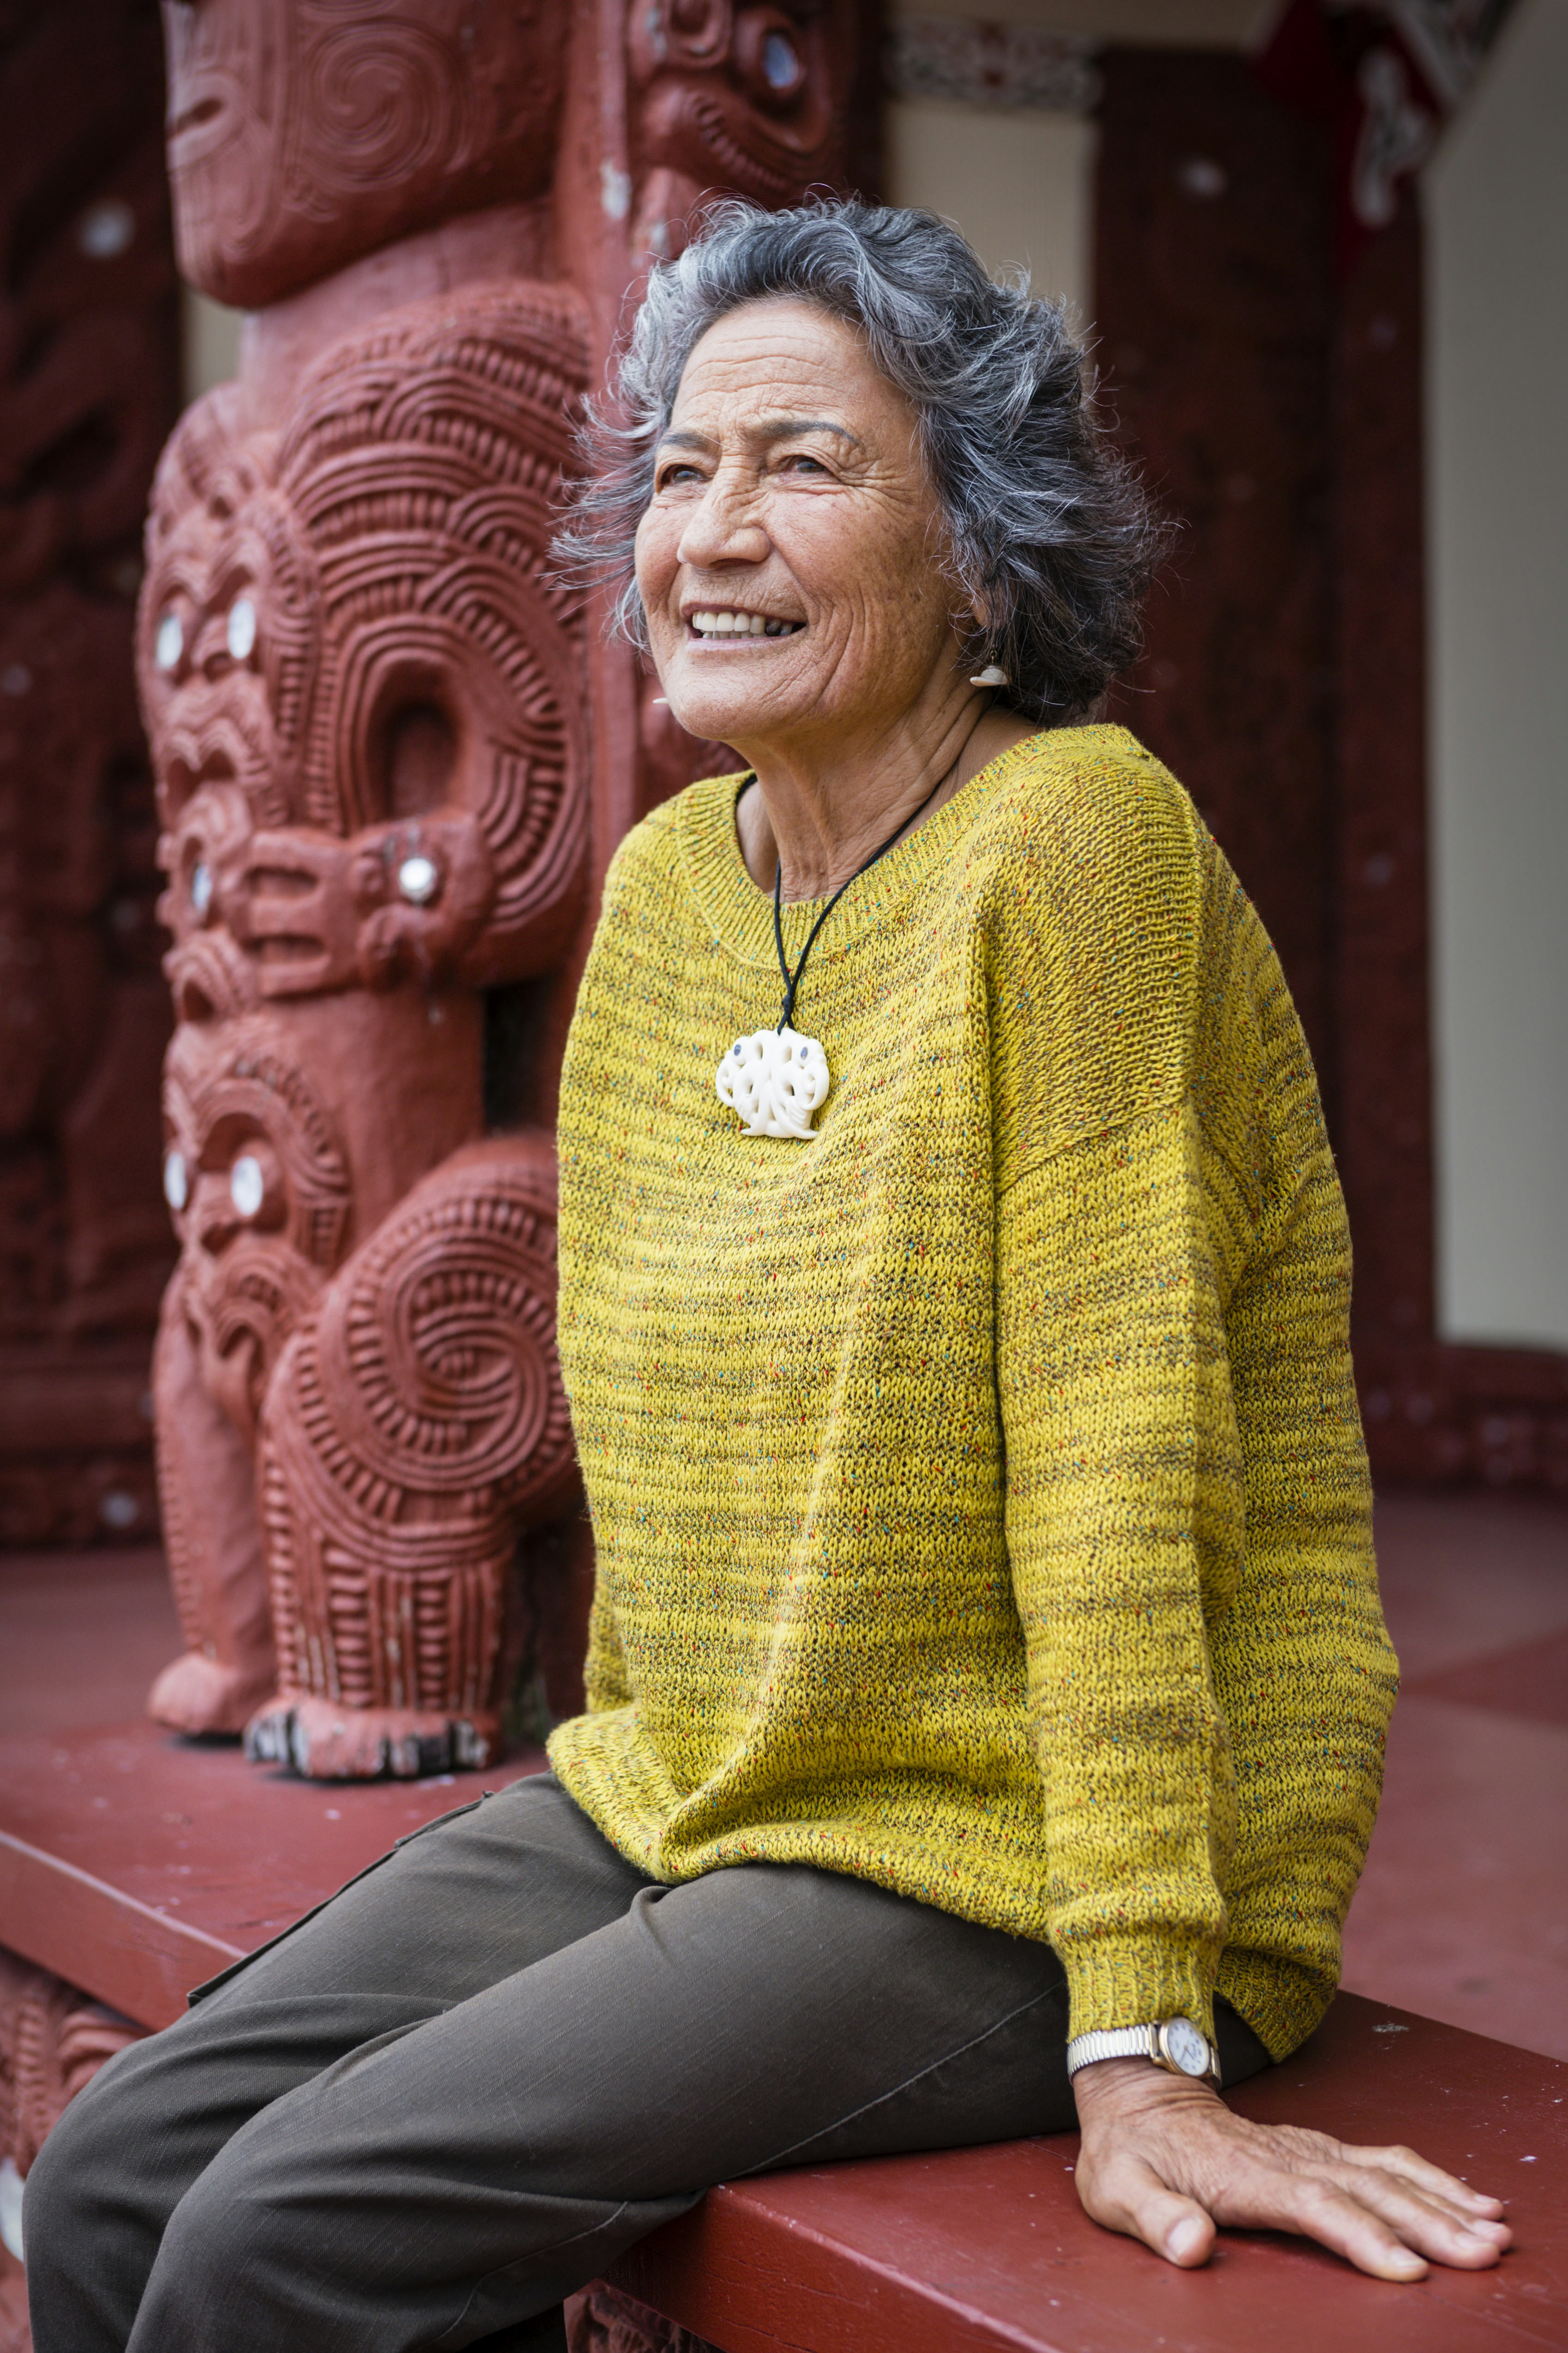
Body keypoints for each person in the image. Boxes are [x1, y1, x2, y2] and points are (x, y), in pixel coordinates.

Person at [24, 199, 1509, 2353]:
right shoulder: (660, 896)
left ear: (982, 552)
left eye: (804, 465)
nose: (710, 529)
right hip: (708, 1798)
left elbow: (1119, 1460)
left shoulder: (1076, 847)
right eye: (680, 471)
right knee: (112, 2173)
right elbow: (649, 1446)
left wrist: (1144, 2036)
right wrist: (639, 1818)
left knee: (281, 2244)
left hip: (1011, 1860)